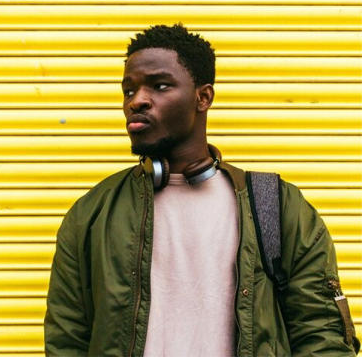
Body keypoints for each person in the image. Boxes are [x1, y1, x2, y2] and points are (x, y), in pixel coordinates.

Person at [44, 23, 360, 357]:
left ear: (203, 97)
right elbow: (67, 342)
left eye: (160, 85)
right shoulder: (92, 214)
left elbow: (321, 334)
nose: (137, 101)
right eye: (128, 90)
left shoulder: (275, 205)